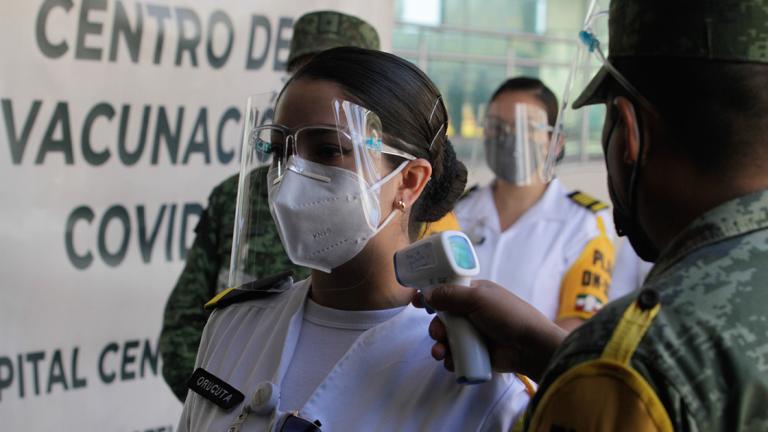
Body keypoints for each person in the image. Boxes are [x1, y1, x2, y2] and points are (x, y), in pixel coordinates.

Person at [416, 0, 768, 429]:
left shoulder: (641, 357)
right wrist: (558, 357)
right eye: (498, 128)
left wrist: (586, 367)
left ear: (630, 134)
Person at [178, 47, 531, 431]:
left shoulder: (473, 377)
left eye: (328, 150)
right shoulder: (234, 326)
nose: (291, 177)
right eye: (280, 153)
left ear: (410, 181)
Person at [158, 11, 381, 401]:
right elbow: (183, 327)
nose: (315, 90)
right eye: (303, 74)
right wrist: (228, 404)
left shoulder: (397, 203)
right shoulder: (236, 196)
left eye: (336, 75)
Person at [456, 77, 615, 332]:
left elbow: (579, 323)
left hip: (536, 369)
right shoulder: (458, 212)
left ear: (556, 141)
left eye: (525, 128)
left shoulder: (585, 223)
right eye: (497, 127)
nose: (509, 138)